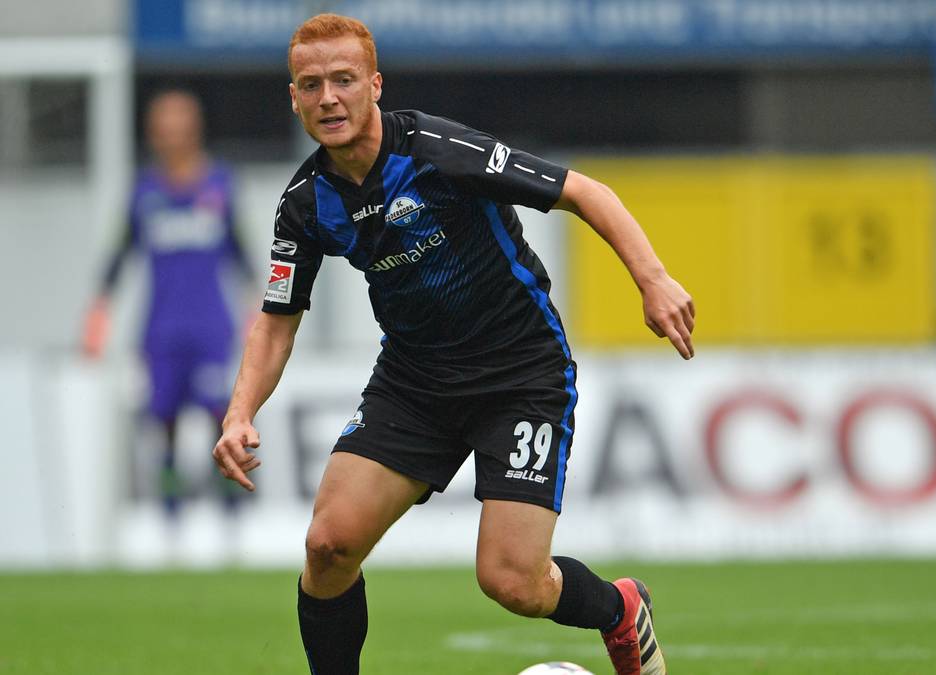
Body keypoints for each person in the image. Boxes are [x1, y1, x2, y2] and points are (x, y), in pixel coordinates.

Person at [211, 13, 692, 675]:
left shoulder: (438, 151)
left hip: (521, 372)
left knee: (513, 581)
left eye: (344, 80)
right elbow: (276, 318)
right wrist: (240, 413)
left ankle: (618, 609)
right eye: (311, 84)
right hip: (414, 385)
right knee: (328, 544)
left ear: (374, 84)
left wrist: (653, 278)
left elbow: (585, 191)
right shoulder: (305, 201)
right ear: (292, 97)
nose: (329, 98)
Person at [84, 89, 253, 518]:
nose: (172, 135)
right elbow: (119, 256)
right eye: (164, 128)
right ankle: (169, 514)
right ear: (153, 134)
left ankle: (233, 510)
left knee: (222, 413)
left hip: (211, 326)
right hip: (161, 329)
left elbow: (241, 253)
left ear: (194, 130)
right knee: (163, 421)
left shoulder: (220, 185)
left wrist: (257, 312)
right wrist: (98, 314)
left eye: (179, 126)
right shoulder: (144, 193)